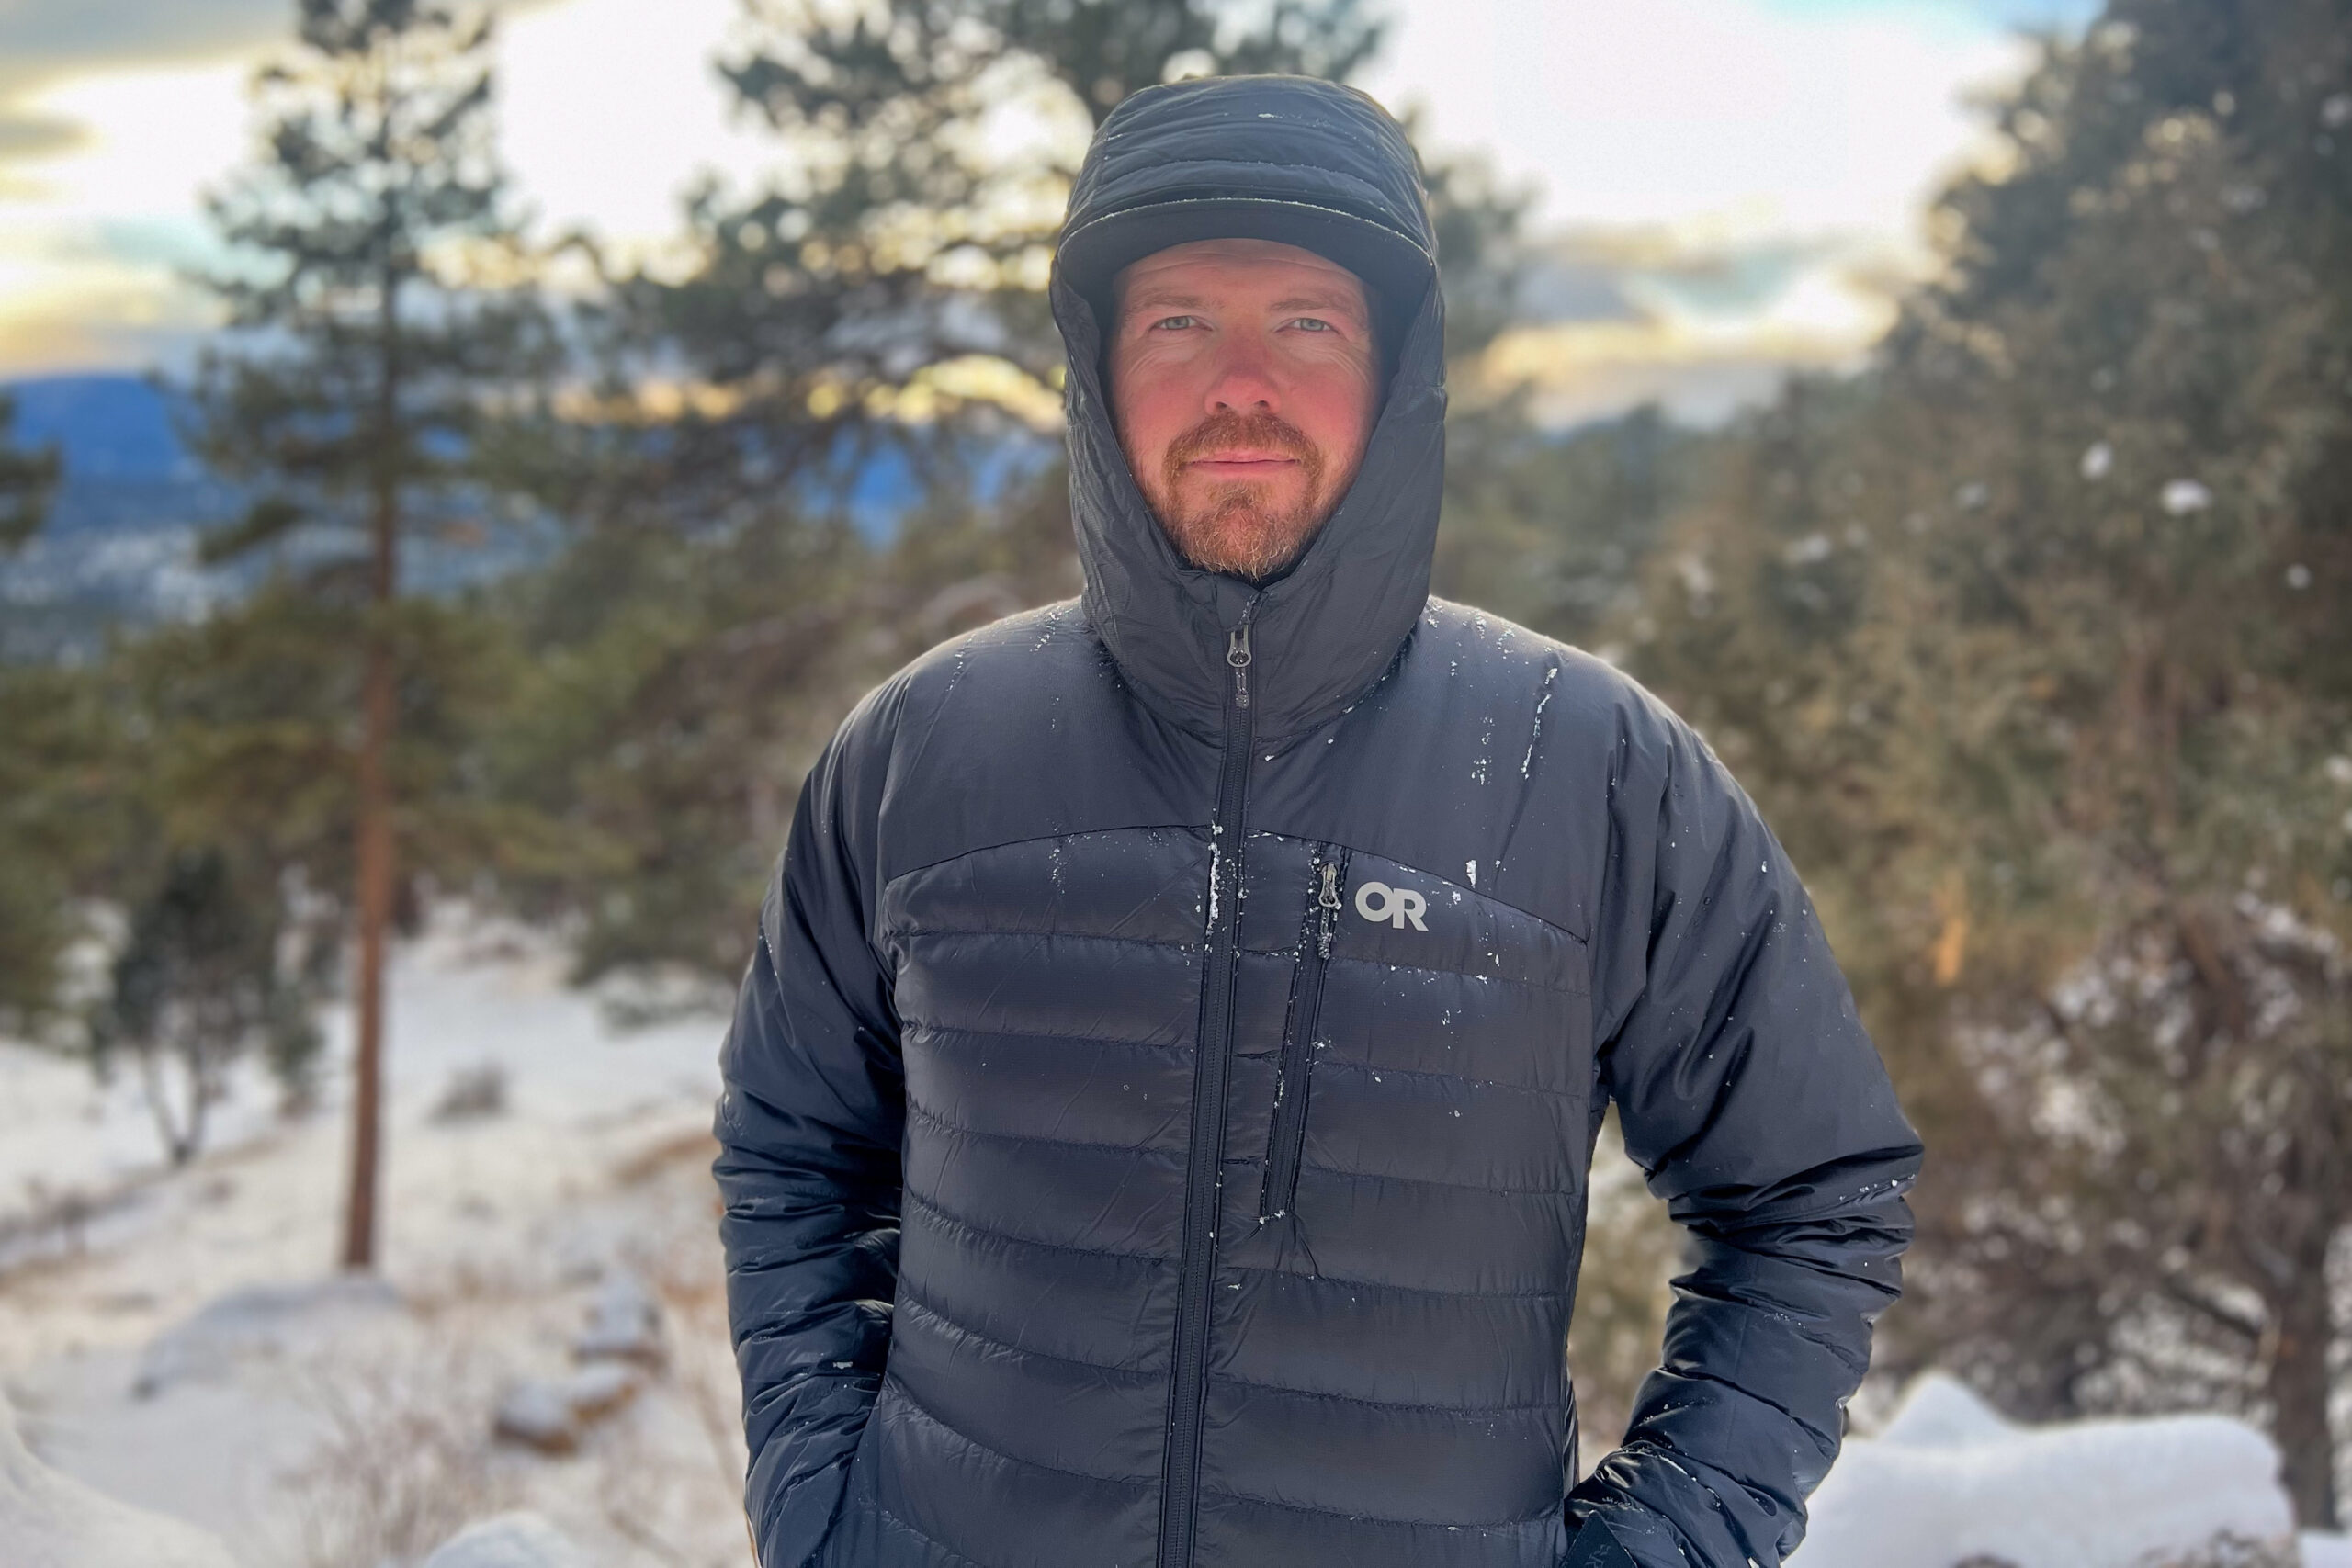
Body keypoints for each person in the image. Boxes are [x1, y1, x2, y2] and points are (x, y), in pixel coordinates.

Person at [713, 73, 1924, 1568]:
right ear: (1098, 368)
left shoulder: (1593, 767)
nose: (1241, 382)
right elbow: (788, 1147)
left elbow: (1816, 1193)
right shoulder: (923, 751)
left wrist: (1659, 1548)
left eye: (1305, 321)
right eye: (1178, 322)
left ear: (1394, 367)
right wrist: (825, 1509)